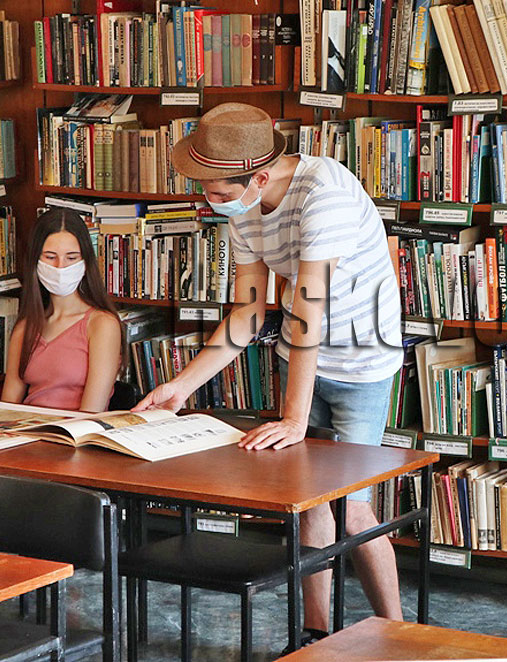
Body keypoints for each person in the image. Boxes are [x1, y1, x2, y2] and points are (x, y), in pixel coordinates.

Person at [132, 103, 404, 645]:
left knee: (353, 507)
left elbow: (308, 312)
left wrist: (294, 420)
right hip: (298, 356)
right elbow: (249, 312)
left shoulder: (324, 194)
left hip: (361, 362)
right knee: (308, 502)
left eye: (216, 189)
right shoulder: (244, 208)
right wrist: (181, 386)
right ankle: (314, 635)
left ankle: (397, 634)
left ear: (258, 176)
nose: (209, 199)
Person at [2, 208, 122, 412]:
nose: (60, 267)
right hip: (27, 428)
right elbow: (6, 409)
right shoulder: (25, 328)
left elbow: (91, 413)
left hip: (75, 430)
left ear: (85, 261)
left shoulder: (102, 325)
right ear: (35, 260)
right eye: (50, 257)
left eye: (71, 258)